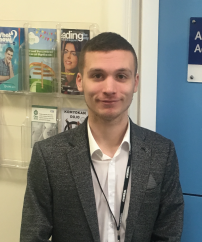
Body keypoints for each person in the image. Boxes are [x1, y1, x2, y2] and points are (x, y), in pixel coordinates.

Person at [21, 32, 184, 242]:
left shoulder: (162, 152)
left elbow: (168, 233)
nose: (109, 89)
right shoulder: (48, 156)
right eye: (98, 75)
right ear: (80, 81)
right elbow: (33, 236)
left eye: (121, 76)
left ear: (135, 83)